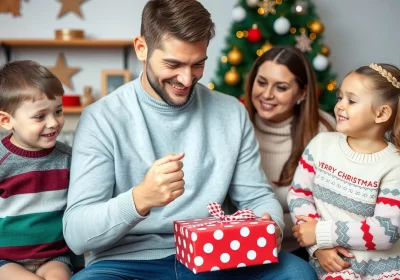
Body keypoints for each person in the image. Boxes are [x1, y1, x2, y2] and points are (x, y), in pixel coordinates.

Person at [63, 0, 317, 279]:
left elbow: (257, 197)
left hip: (216, 255)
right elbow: (77, 234)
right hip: (126, 262)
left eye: (198, 64)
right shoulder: (101, 119)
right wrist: (140, 199)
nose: (186, 78)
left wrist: (272, 225)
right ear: (141, 48)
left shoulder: (231, 112)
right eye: (173, 64)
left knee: (297, 273)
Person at [287, 63, 400, 279]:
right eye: (340, 98)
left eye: (351, 100)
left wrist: (321, 233)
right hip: (336, 265)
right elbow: (299, 195)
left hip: (385, 270)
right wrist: (318, 247)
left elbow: (386, 230)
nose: (340, 105)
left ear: (382, 113)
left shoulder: (394, 165)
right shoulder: (321, 145)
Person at [243, 46, 335, 259]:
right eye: (262, 82)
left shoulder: (323, 131)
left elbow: (331, 209)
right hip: (245, 247)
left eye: (281, 87)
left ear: (302, 93)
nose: (266, 95)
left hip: (310, 248)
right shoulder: (238, 125)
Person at [0, 60, 72, 280]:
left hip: (53, 257)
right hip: (5, 259)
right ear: (6, 120)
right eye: (40, 116)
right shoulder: (3, 159)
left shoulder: (69, 158)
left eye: (58, 111)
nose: (53, 123)